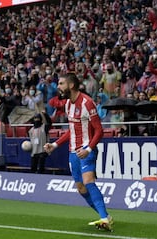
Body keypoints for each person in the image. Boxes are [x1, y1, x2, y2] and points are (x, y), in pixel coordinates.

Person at [43, 73, 113, 230]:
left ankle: (104, 219)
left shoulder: (87, 103)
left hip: (87, 149)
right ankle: (105, 216)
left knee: (89, 181)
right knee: (81, 188)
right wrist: (55, 145)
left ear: (71, 85)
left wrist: (88, 149)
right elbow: (72, 130)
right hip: (72, 152)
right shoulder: (68, 104)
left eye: (61, 84)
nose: (58, 87)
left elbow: (99, 131)